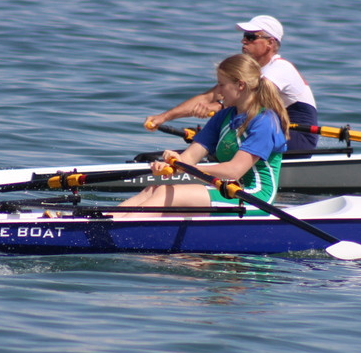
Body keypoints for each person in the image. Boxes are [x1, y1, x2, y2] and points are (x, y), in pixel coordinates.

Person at [117, 53, 289, 218]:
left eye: (222, 85)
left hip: (255, 197)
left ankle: (116, 231)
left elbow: (233, 172)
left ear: (240, 85)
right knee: (155, 188)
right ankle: (104, 221)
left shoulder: (265, 121)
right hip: (228, 189)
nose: (219, 92)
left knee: (166, 192)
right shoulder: (224, 116)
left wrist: (186, 169)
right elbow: (190, 157)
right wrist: (170, 165)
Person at [143, 15, 319, 152]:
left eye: (251, 37)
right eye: (244, 36)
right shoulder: (250, 72)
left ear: (270, 43)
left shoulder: (281, 68)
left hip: (296, 138)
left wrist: (217, 106)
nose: (244, 41)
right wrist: (163, 117)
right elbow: (208, 97)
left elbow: (255, 98)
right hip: (264, 131)